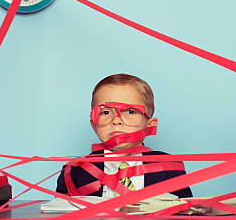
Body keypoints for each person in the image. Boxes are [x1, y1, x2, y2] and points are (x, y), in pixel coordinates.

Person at [56, 73, 192, 198]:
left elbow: (185, 215)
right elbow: (61, 216)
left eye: (131, 111)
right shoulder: (74, 172)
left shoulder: (170, 168)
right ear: (94, 124)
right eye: (105, 112)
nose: (116, 120)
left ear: (150, 125)